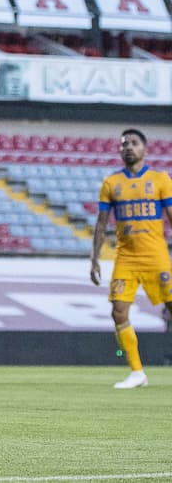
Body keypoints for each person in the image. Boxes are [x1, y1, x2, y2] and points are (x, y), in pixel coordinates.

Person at [89, 128, 172, 389]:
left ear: (145, 149)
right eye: (124, 144)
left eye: (134, 143)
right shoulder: (111, 184)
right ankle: (137, 372)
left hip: (156, 256)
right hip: (125, 258)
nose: (128, 147)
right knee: (118, 311)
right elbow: (101, 224)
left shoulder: (160, 180)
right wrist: (94, 260)